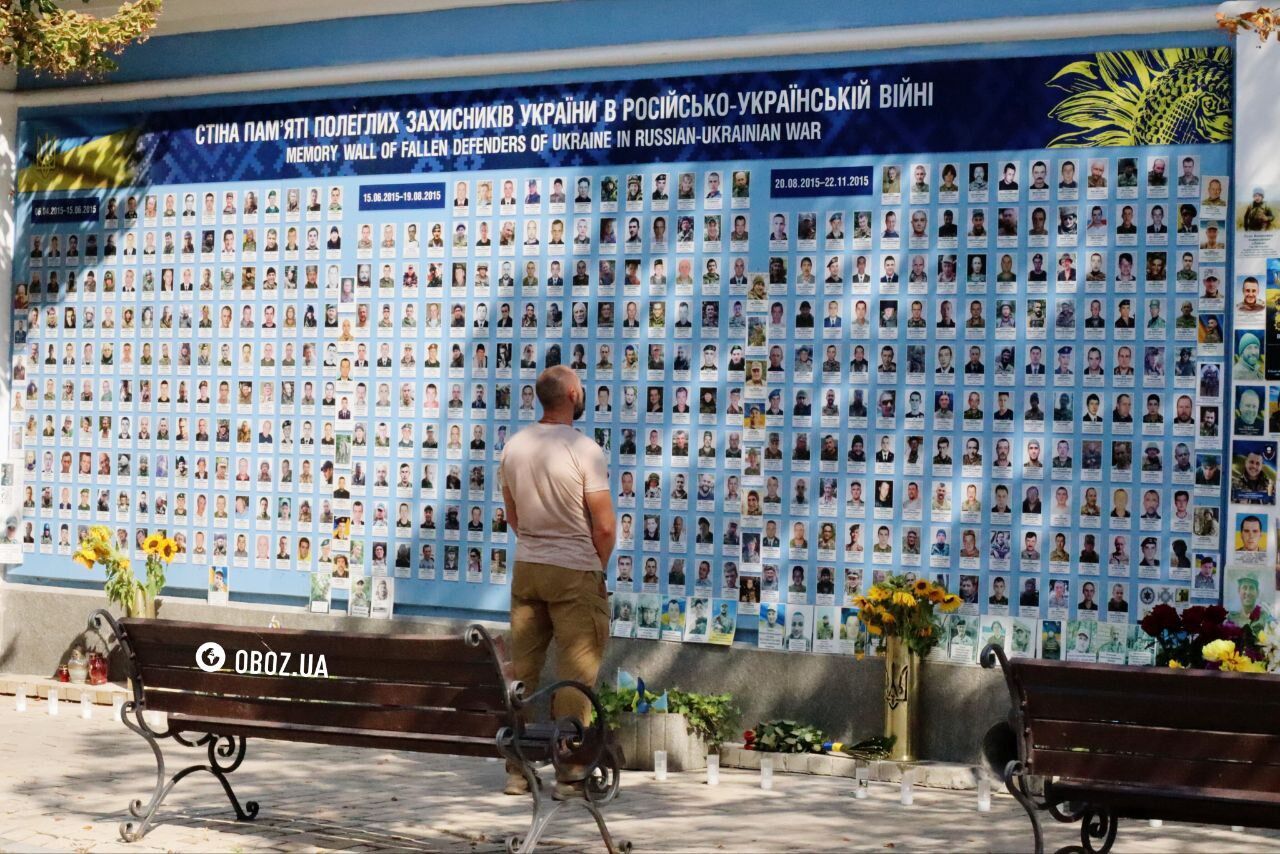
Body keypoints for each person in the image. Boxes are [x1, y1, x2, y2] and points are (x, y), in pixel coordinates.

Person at [499, 366, 615, 798]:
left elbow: (512, 514)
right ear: (571, 393)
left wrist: (536, 542)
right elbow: (603, 526)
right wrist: (593, 564)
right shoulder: (584, 449)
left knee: (522, 671)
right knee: (575, 673)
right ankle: (569, 771)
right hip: (574, 569)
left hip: (528, 567)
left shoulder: (514, 446)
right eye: (581, 387)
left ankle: (516, 770)